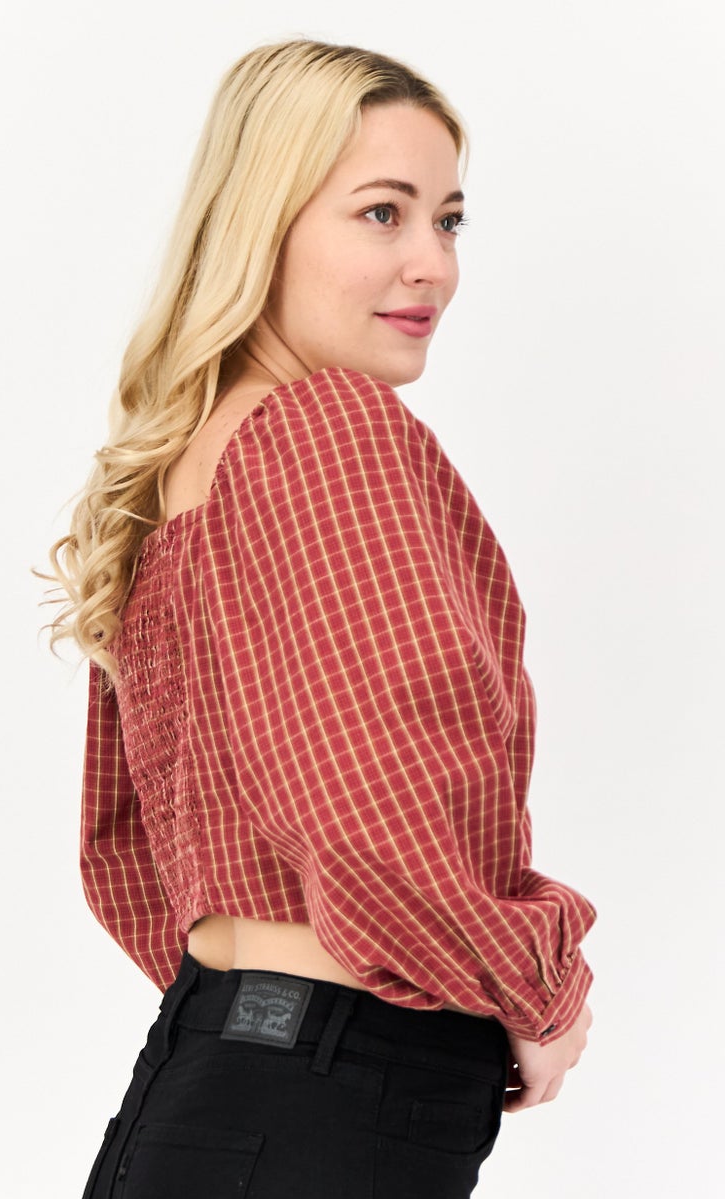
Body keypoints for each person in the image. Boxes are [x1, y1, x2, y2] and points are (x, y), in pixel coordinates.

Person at [47, 38, 596, 1199]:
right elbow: (369, 811)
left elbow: (125, 848)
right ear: (263, 221)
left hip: (202, 1076)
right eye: (379, 213)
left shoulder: (180, 468)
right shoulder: (324, 428)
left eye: (448, 220)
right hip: (330, 1091)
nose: (430, 265)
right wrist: (529, 990)